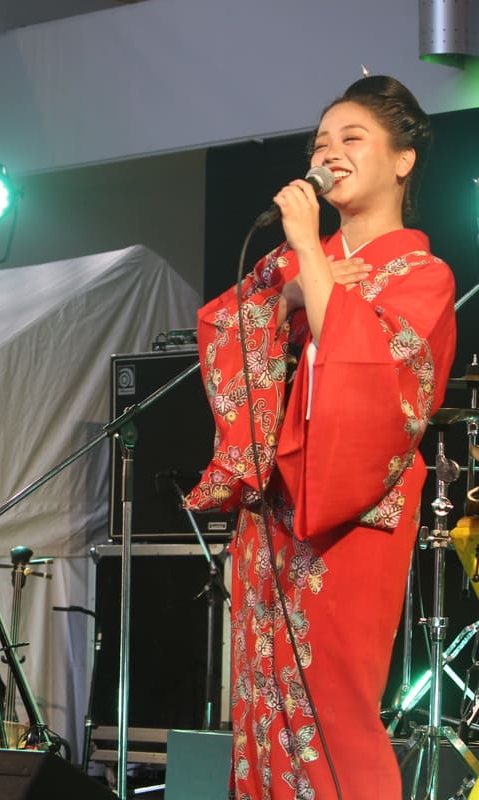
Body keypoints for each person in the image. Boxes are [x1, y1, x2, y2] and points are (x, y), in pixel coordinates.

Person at [185, 75, 457, 798]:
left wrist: (309, 258)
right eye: (320, 142)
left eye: (352, 138)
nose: (329, 153)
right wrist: (286, 296)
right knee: (261, 705)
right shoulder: (286, 263)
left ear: (403, 160)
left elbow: (377, 381)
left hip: (348, 516)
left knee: (330, 712)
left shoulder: (422, 274)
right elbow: (222, 327)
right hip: (270, 514)